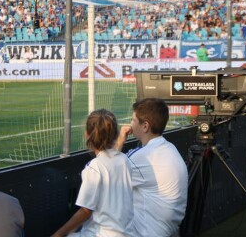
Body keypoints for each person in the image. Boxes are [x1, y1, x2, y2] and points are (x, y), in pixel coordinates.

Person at [53, 109, 133, 236]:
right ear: (115, 134)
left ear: (86, 134)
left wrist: (58, 234)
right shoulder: (124, 159)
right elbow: (112, 160)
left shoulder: (94, 167)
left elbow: (86, 211)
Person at [115, 98, 188, 236]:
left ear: (145, 126)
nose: (130, 124)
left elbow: (107, 173)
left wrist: (120, 140)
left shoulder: (142, 156)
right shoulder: (170, 148)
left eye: (133, 120)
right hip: (169, 230)